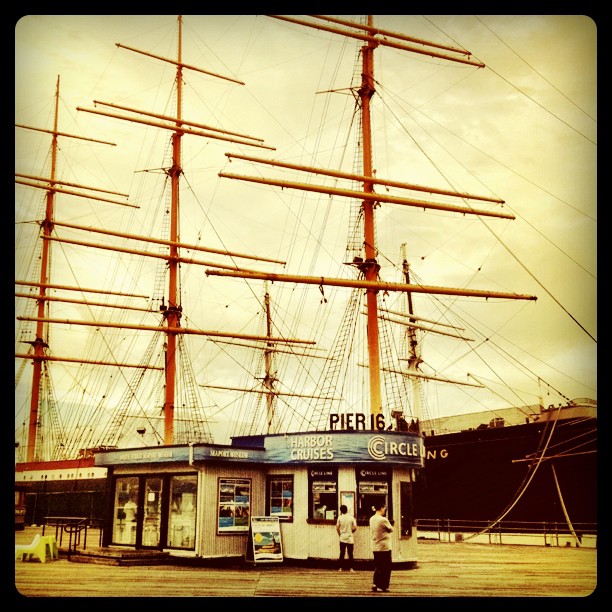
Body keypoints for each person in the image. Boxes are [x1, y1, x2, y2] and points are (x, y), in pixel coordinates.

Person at [369, 501, 393, 592]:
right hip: (384, 546)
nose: (385, 510)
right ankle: (384, 586)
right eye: (384, 508)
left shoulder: (371, 519)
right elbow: (391, 529)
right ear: (382, 508)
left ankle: (375, 584)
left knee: (378, 566)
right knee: (386, 567)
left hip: (375, 546)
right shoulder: (383, 519)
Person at [336, 504, 357, 571]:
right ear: (347, 510)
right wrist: (351, 532)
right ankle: (351, 568)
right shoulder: (351, 517)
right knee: (350, 553)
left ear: (341, 511)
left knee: (342, 552)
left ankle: (340, 567)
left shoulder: (340, 517)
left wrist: (340, 534)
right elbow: (355, 527)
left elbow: (337, 528)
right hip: (350, 537)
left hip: (342, 537)